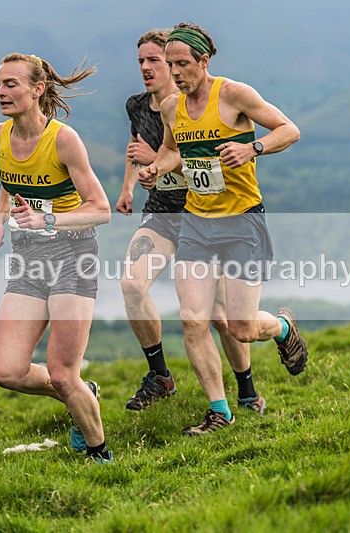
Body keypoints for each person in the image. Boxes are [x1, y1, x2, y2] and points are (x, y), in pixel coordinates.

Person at [139, 23, 309, 436]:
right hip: (197, 224)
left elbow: (289, 129)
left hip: (242, 224)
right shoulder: (171, 107)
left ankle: (283, 328)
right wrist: (154, 169)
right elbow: (172, 150)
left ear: (203, 61)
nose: (176, 73)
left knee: (242, 328)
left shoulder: (233, 94)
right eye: (170, 64)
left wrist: (252, 147)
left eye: (183, 64)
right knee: (193, 319)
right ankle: (220, 411)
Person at [116, 29, 266, 414]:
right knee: (136, 285)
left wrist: (250, 148)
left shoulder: (214, 97)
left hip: (209, 212)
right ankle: (164, 377)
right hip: (165, 212)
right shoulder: (141, 107)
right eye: (143, 62)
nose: (149, 68)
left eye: (158, 61)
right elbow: (149, 151)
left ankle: (247, 388)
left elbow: (195, 155)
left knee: (227, 319)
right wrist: (134, 182)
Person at [0, 53, 113, 463]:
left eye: (11, 84)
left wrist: (47, 219)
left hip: (73, 257)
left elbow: (101, 208)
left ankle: (99, 453)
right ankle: (82, 395)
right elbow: (10, 182)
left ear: (37, 90)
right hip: (27, 260)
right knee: (7, 371)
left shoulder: (63, 139)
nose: (1, 92)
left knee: (61, 371)